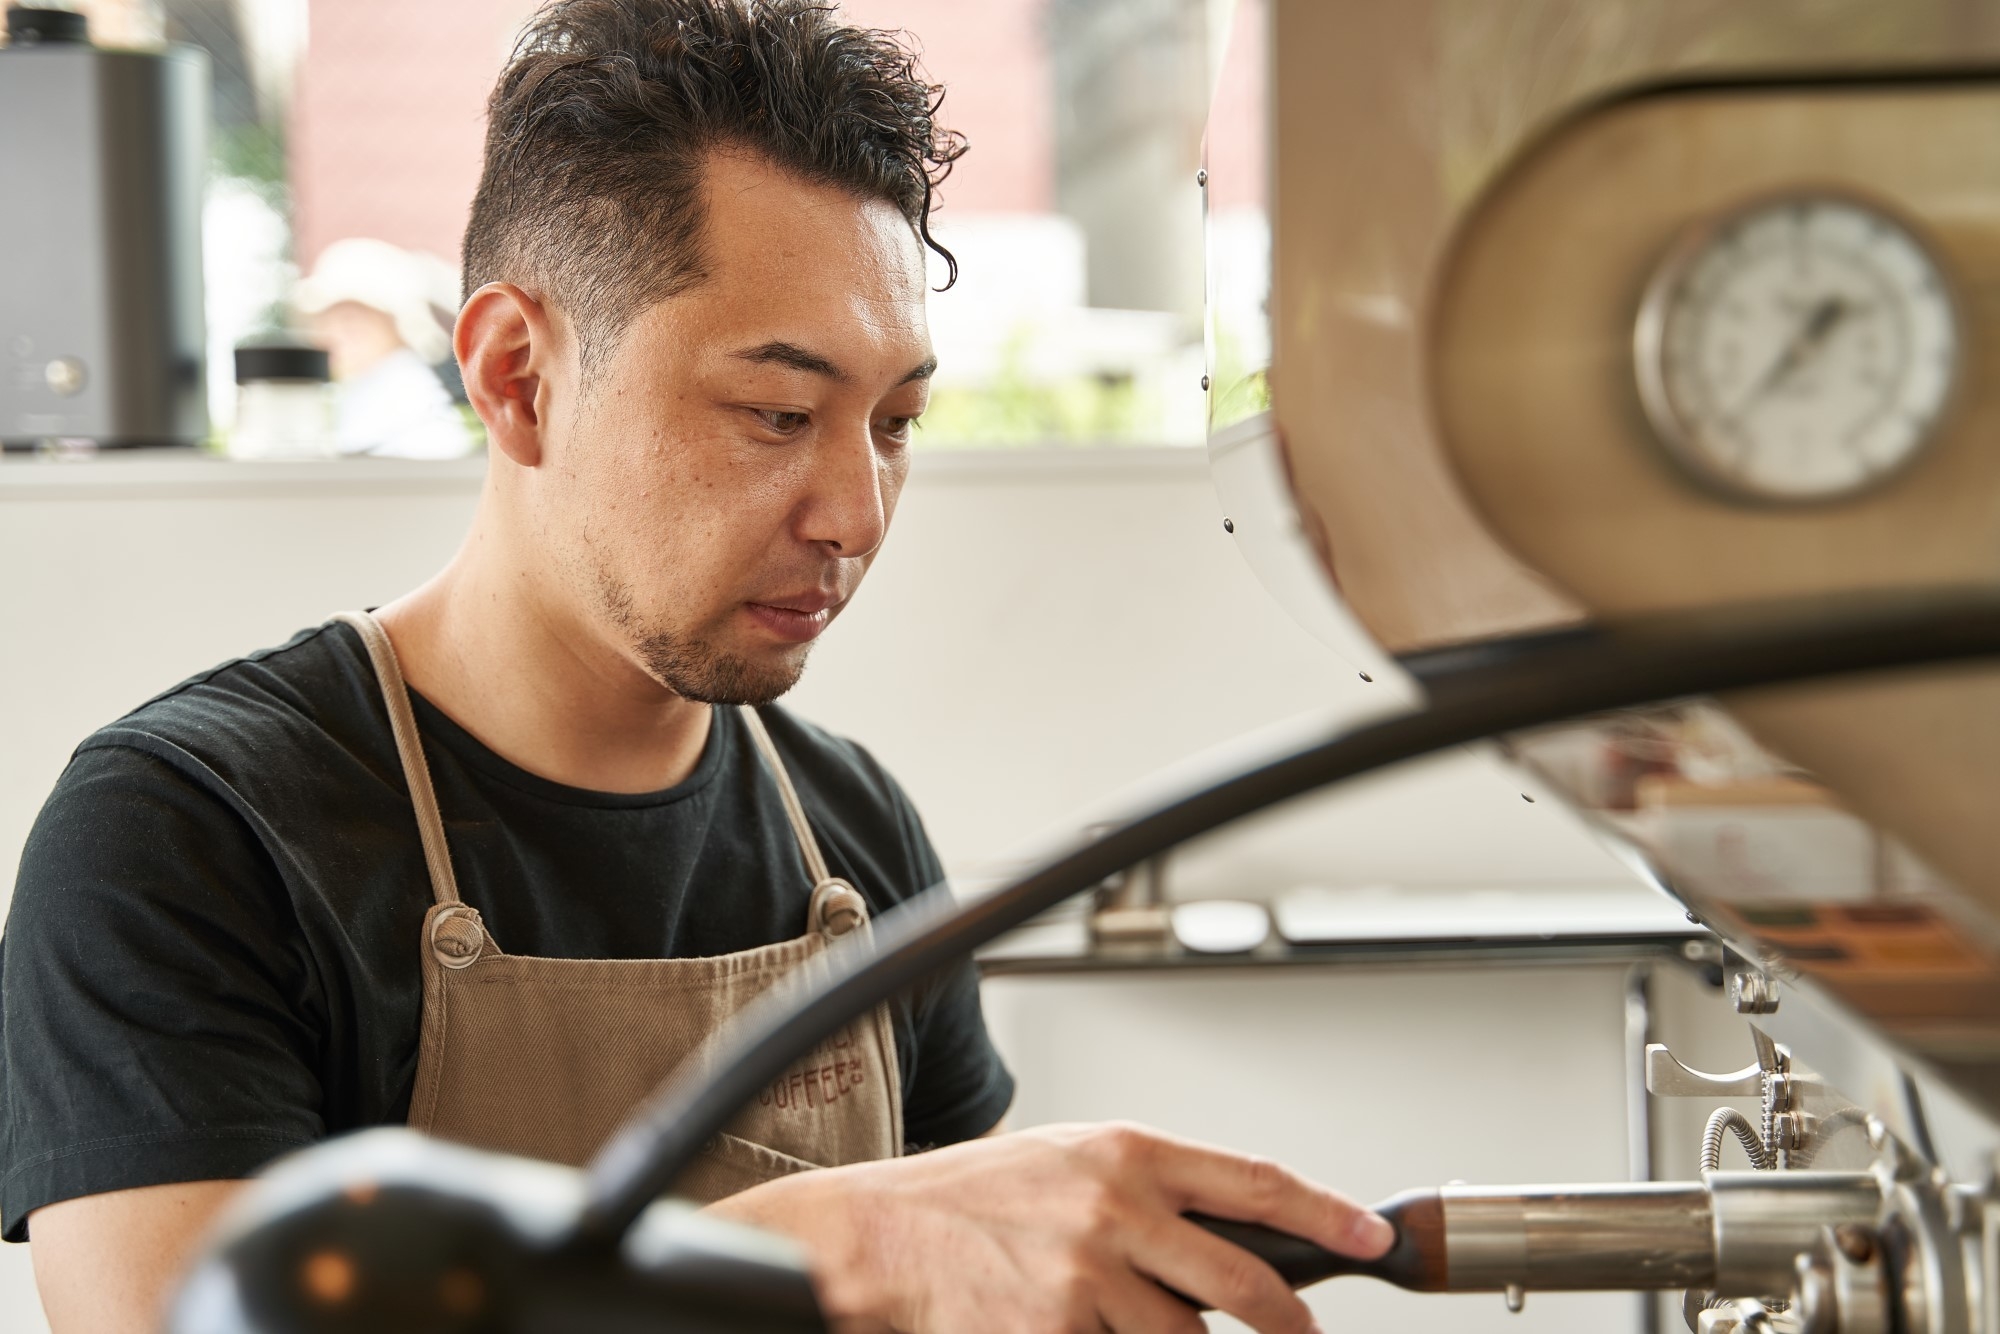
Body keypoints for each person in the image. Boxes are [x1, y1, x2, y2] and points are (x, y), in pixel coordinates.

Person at [0, 2, 1393, 1331]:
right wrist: (852, 1240)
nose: (854, 511)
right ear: (515, 374)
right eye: (777, 411)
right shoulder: (189, 832)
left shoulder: (853, 839)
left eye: (896, 422)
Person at [295, 237, 478, 460]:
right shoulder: (366, 387)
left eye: (350, 322)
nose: (333, 336)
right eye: (326, 323)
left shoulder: (404, 393)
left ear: (397, 327)